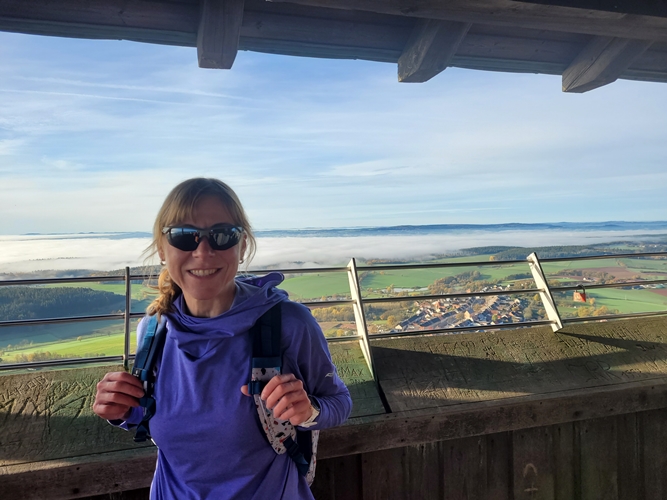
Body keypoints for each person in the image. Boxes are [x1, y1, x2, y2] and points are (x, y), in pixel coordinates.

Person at [93, 177, 352, 499]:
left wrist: (308, 411)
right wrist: (120, 409)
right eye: (183, 235)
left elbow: (339, 402)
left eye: (223, 235)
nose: (203, 252)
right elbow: (156, 415)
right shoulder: (153, 329)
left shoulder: (287, 324)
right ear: (162, 248)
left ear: (242, 246)